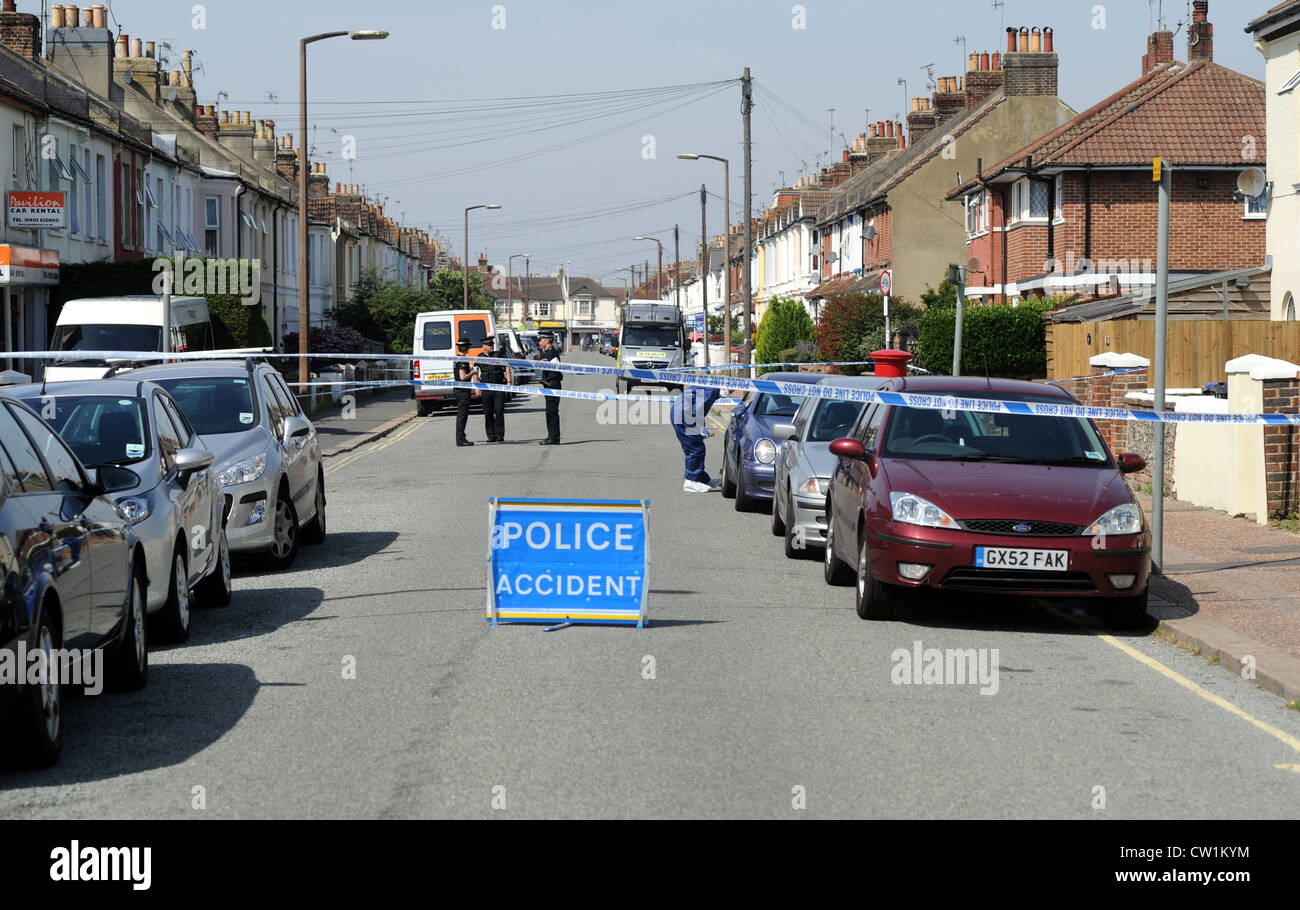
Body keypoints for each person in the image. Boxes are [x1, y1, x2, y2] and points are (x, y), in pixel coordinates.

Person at [671, 383, 731, 492]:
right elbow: (698, 410)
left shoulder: (709, 385)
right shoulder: (711, 391)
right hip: (685, 416)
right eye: (730, 391)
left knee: (697, 446)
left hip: (682, 413)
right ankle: (691, 481)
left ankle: (701, 479)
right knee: (695, 448)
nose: (729, 394)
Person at [478, 336, 511, 443]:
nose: (491, 347)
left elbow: (507, 366)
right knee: (488, 412)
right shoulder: (480, 357)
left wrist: (509, 382)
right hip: (486, 389)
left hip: (498, 388)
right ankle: (491, 435)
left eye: (492, 345)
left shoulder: (498, 355)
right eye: (489, 345)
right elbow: (475, 371)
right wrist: (476, 387)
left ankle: (499, 435)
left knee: (499, 410)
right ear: (484, 346)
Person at [532, 332, 562, 445]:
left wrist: (546, 378)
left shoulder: (552, 353)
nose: (539, 342)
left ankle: (554, 438)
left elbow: (554, 371)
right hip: (548, 385)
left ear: (548, 340)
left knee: (552, 412)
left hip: (553, 385)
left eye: (541, 339)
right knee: (549, 412)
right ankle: (551, 436)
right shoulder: (546, 353)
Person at [453, 338, 478, 447]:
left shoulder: (457, 358)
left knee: (461, 415)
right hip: (462, 390)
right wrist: (472, 373)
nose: (470, 348)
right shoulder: (463, 360)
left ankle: (461, 437)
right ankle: (460, 439)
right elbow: (463, 377)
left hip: (459, 390)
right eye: (469, 346)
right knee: (462, 416)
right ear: (466, 347)